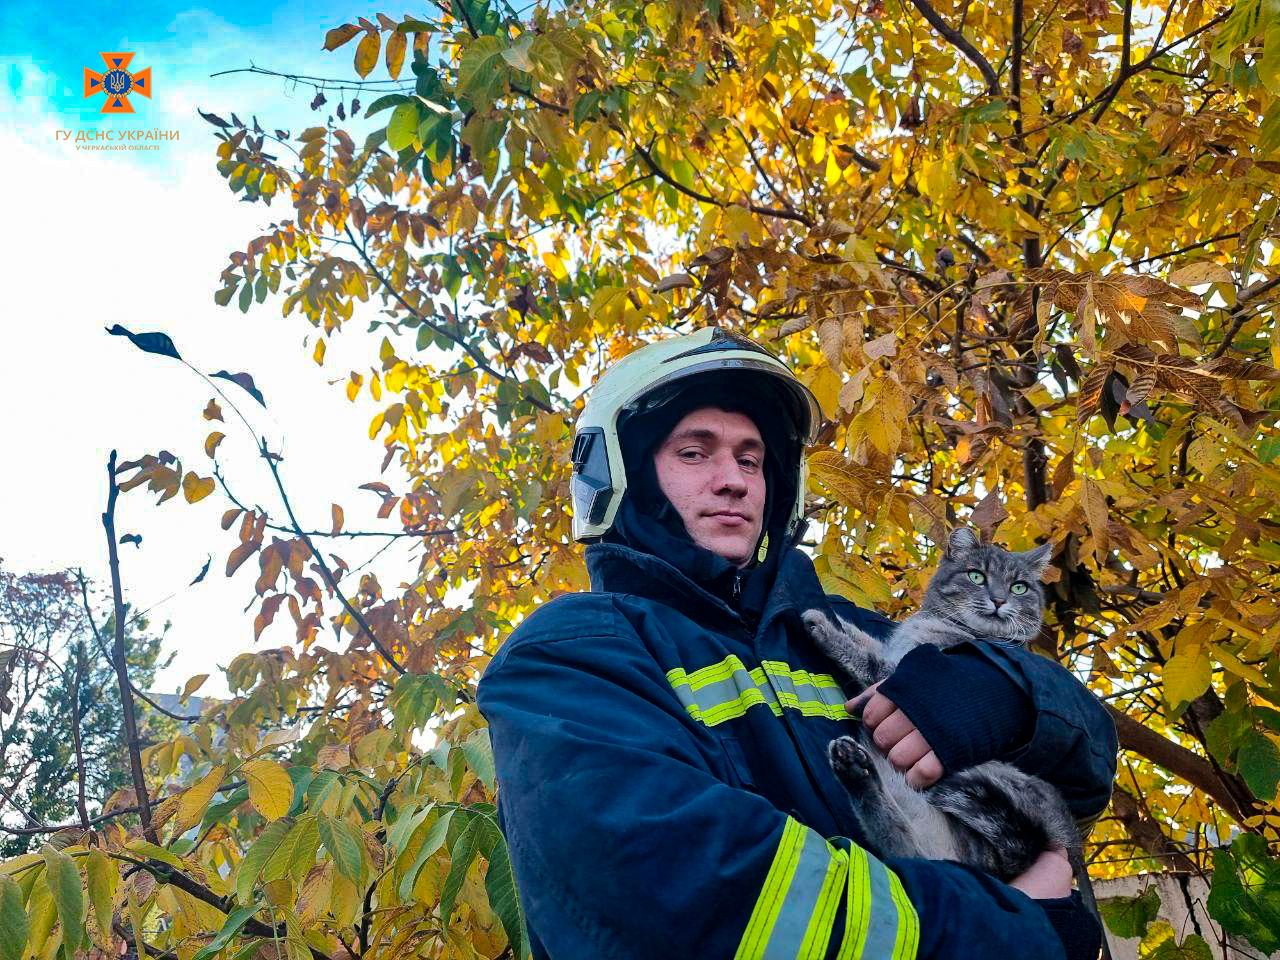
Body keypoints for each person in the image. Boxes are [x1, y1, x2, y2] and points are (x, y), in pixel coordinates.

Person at [477, 327, 1116, 959]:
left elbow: (1085, 773)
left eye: (751, 460)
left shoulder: (849, 630)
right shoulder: (569, 656)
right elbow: (685, 898)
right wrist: (1017, 932)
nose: (734, 481)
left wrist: (1007, 691)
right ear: (624, 475)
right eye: (694, 453)